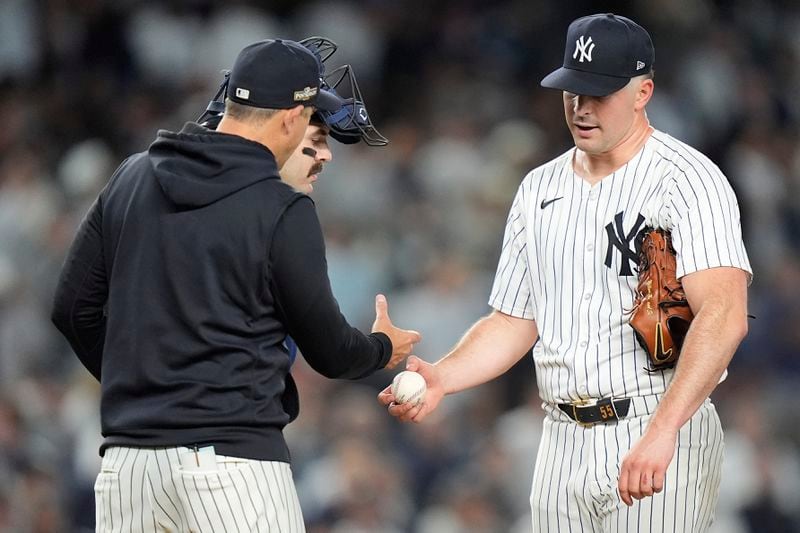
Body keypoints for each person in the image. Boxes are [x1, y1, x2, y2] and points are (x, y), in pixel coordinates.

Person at [380, 13, 751, 532]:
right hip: (559, 436)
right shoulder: (538, 188)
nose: (581, 106)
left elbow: (725, 314)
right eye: (573, 90)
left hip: (655, 420)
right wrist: (444, 376)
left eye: (599, 93)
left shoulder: (687, 180)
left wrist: (665, 428)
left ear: (643, 91)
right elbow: (513, 321)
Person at [51, 38, 420, 533]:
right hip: (232, 469)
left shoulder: (131, 177)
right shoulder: (280, 207)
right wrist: (382, 348)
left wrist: (151, 390)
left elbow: (71, 308)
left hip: (129, 467)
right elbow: (331, 352)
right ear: (292, 117)